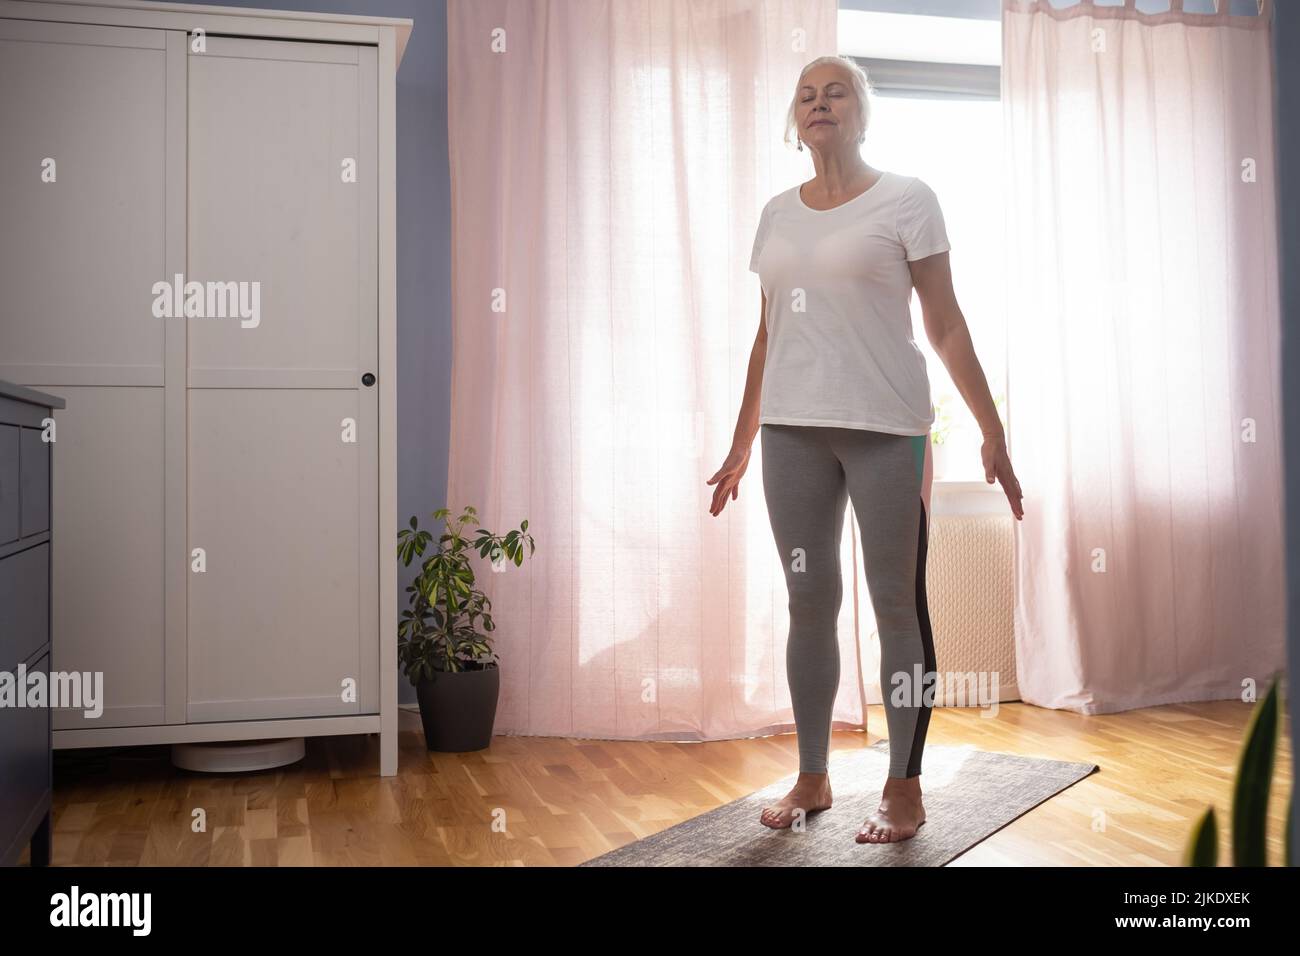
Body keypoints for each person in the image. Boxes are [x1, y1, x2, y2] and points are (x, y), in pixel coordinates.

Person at [706, 55, 1024, 845]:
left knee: (897, 606)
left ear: (861, 111)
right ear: (795, 118)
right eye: (806, 94)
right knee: (809, 603)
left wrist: (992, 429)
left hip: (889, 432)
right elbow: (768, 333)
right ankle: (814, 776)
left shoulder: (908, 199)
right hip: (791, 433)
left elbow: (947, 326)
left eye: (835, 90)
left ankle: (905, 788)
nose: (820, 102)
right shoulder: (778, 213)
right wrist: (743, 440)